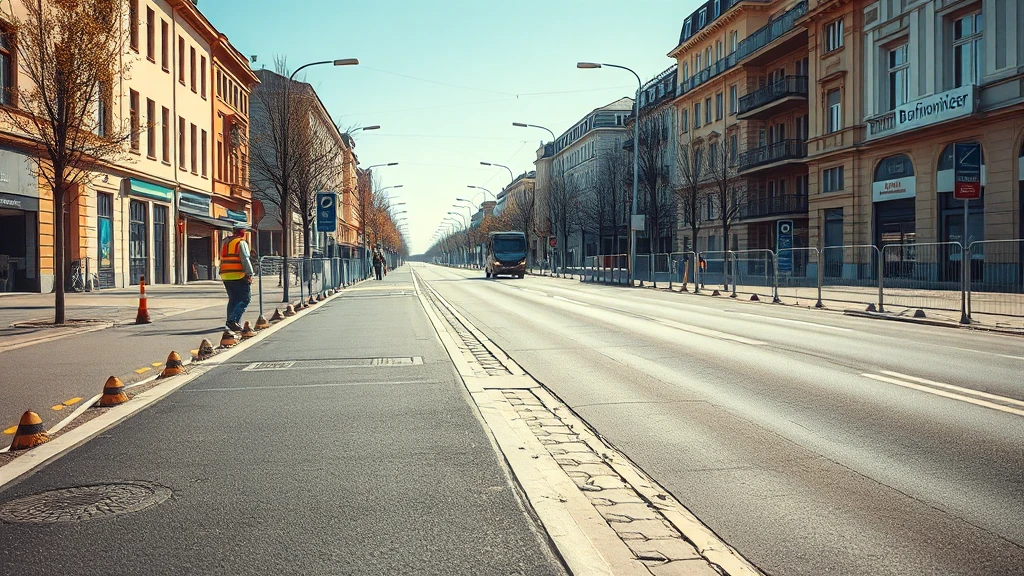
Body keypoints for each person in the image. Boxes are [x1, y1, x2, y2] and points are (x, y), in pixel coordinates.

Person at [220, 222, 254, 332]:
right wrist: (249, 273)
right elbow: (245, 259)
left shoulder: (225, 242)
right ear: (242, 232)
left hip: (225, 274)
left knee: (233, 299)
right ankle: (232, 321)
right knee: (245, 299)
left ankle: (232, 323)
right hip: (238, 274)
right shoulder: (241, 243)